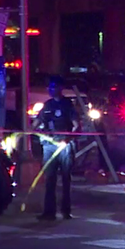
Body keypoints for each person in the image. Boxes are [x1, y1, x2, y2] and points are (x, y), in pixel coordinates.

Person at [34, 75, 78, 220]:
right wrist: (34, 131)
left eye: (53, 87)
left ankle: (66, 211)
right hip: (49, 146)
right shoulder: (47, 105)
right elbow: (36, 124)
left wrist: (68, 138)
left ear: (60, 88)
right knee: (49, 179)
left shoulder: (68, 105)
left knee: (66, 179)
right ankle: (49, 212)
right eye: (49, 87)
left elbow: (77, 126)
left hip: (64, 146)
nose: (50, 90)